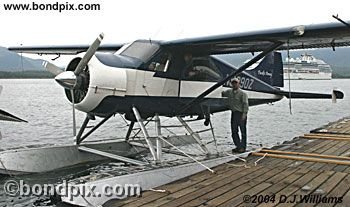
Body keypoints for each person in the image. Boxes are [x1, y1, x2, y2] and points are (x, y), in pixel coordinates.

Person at [222, 77, 249, 153]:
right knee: (234, 131)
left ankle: (243, 147)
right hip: (234, 114)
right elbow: (223, 93)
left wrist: (244, 114)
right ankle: (238, 146)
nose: (234, 84)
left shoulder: (243, 94)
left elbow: (245, 104)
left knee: (243, 131)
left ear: (238, 84)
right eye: (233, 83)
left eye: (236, 83)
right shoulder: (229, 92)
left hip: (241, 113)